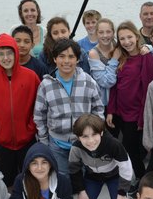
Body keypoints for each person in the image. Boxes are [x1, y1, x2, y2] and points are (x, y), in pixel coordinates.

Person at [0, 34, 41, 187]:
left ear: (16, 54)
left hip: (27, 140)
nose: (6, 58)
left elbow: (40, 106)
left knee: (29, 179)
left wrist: (31, 128)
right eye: (1, 54)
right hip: (1, 142)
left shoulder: (31, 77)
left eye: (9, 53)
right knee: (4, 182)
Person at [34, 38, 104, 176]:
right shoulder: (46, 85)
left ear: (78, 60)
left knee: (84, 177)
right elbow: (39, 115)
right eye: (61, 56)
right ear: (54, 59)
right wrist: (44, 141)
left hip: (84, 143)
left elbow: (98, 110)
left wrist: (94, 136)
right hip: (57, 144)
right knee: (62, 178)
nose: (66, 61)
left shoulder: (88, 81)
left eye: (71, 57)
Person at [69, 114, 133, 199]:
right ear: (78, 137)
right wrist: (81, 191)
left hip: (115, 177)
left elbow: (126, 167)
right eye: (84, 136)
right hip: (93, 177)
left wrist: (122, 193)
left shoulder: (113, 144)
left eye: (94, 135)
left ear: (101, 132)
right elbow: (74, 169)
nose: (90, 141)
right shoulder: (76, 148)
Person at [106, 21, 153, 191]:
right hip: (120, 110)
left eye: (129, 37)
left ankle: (142, 179)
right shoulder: (120, 57)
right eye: (122, 39)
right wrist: (111, 110)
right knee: (125, 147)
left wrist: (144, 116)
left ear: (137, 36)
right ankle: (135, 176)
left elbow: (148, 88)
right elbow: (114, 86)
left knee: (133, 148)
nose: (126, 41)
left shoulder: (145, 57)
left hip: (136, 112)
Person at [88, 18, 120, 107]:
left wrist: (148, 47)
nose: (105, 35)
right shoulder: (94, 53)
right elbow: (106, 82)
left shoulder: (119, 47)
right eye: (101, 32)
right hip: (104, 103)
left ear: (113, 33)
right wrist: (114, 59)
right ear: (96, 34)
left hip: (121, 99)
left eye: (108, 32)